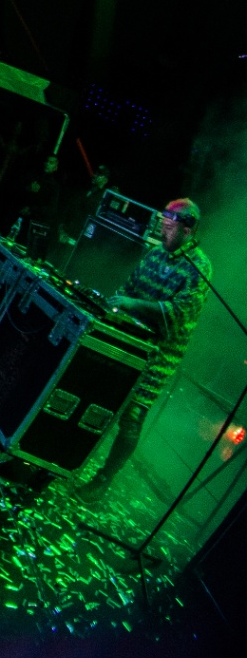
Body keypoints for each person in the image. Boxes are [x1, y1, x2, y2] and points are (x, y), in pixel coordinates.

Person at [78, 199, 212, 499]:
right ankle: (73, 454)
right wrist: (114, 308)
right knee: (99, 397)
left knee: (132, 415)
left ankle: (103, 479)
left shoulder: (199, 269)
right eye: (163, 219)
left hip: (157, 357)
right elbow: (127, 289)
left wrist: (132, 304)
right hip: (129, 341)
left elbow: (177, 314)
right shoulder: (154, 255)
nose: (162, 225)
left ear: (188, 228)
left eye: (169, 221)